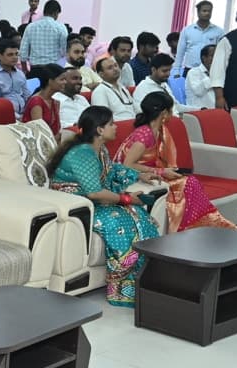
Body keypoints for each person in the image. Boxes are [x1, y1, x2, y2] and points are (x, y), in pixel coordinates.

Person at [48, 106, 159, 306]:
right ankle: (123, 289)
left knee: (141, 218)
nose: (115, 127)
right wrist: (126, 199)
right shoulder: (83, 153)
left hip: (95, 201)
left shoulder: (99, 149)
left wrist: (138, 175)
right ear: (99, 130)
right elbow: (94, 192)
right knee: (121, 222)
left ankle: (145, 280)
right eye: (111, 124)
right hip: (79, 204)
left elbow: (112, 169)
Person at [118, 91, 236, 232]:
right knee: (189, 183)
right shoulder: (144, 134)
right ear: (163, 113)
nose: (172, 114)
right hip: (133, 177)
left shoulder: (160, 130)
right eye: (170, 110)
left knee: (190, 181)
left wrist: (167, 171)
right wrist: (160, 171)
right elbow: (127, 165)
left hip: (153, 173)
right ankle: (190, 228)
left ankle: (198, 226)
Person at [174, 1, 225, 77]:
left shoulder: (218, 31)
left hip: (210, 70)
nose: (207, 13)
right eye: (204, 11)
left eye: (209, 11)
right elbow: (180, 52)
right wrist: (176, 70)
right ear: (198, 12)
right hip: (190, 69)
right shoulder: (187, 30)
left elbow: (222, 52)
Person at [0, 40, 29, 115]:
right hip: (3, 117)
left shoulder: (20, 74)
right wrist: (18, 117)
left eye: (16, 54)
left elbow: (27, 97)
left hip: (24, 115)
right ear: (0, 56)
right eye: (10, 55)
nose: (15, 57)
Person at [23, 64, 67, 135]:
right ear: (50, 81)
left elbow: (56, 130)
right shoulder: (36, 102)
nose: (65, 82)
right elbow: (40, 132)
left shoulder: (56, 102)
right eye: (62, 79)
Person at [21, 0, 67, 67]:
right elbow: (64, 51)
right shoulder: (61, 27)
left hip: (35, 68)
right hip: (54, 68)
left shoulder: (30, 27)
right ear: (56, 12)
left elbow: (23, 53)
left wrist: (25, 70)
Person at [186, 44, 216, 109]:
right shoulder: (193, 72)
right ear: (204, 58)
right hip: (200, 112)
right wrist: (212, 74)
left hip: (217, 110)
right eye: (213, 55)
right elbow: (198, 91)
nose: (217, 58)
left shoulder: (220, 72)